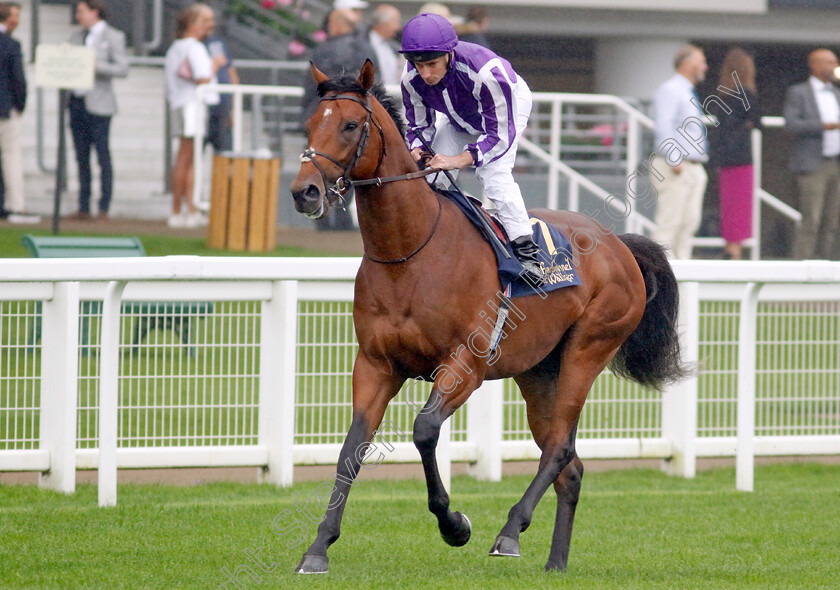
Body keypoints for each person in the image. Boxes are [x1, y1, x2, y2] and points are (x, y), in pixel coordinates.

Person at [399, 13, 542, 282]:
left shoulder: (488, 73)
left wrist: (459, 160)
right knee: (430, 175)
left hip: (504, 111)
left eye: (432, 64)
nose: (426, 74)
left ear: (449, 54)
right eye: (419, 66)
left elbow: (498, 136)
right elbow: (418, 127)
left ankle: (528, 255)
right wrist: (418, 149)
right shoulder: (410, 78)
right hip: (459, 118)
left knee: (493, 175)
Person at [66, 0, 128, 222]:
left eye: (81, 11)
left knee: (102, 155)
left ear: (95, 12)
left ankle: (104, 206)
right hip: (77, 102)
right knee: (81, 156)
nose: (78, 15)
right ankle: (83, 206)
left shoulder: (113, 36)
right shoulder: (75, 37)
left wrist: (98, 66)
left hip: (100, 104)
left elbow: (122, 68)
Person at [164, 3, 225, 228]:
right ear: (193, 24)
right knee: (189, 160)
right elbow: (203, 77)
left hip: (180, 103)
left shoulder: (175, 47)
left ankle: (178, 210)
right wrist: (215, 65)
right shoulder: (195, 48)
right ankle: (188, 211)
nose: (211, 25)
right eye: (205, 20)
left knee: (184, 158)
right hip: (192, 105)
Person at [649, 45, 709, 260]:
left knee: (688, 223)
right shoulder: (671, 89)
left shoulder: (686, 91)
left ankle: (684, 281)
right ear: (687, 63)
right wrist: (674, 159)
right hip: (675, 164)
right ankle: (658, 277)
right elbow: (664, 125)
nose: (705, 66)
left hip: (692, 164)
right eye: (700, 61)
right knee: (669, 223)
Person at [784, 48, 840, 260]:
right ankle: (801, 266)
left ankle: (826, 266)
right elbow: (792, 124)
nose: (833, 66)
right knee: (811, 219)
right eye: (829, 62)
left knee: (831, 221)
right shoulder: (799, 92)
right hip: (812, 164)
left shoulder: (836, 93)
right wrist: (824, 126)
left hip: (834, 162)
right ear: (815, 65)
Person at [710, 48, 761, 260]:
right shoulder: (746, 94)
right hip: (741, 158)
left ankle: (730, 246)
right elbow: (758, 120)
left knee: (728, 204)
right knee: (740, 204)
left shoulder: (723, 95)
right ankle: (735, 251)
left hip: (724, 158)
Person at [301, 7, 379, 122]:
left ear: (337, 24)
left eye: (330, 23)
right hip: (361, 113)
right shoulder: (366, 47)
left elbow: (312, 86)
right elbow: (375, 80)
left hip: (325, 114)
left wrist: (306, 115)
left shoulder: (324, 50)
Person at [0, 2, 36, 224]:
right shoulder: (11, 45)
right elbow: (18, 80)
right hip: (5, 111)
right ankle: (16, 206)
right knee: (11, 157)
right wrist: (20, 106)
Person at [203, 21, 239, 152]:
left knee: (224, 151)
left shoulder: (216, 43)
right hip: (203, 102)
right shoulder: (193, 45)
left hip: (222, 102)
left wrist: (233, 109)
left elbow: (232, 74)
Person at [367, 4, 402, 87]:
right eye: (396, 22)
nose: (398, 27)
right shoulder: (362, 44)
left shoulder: (394, 46)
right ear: (383, 23)